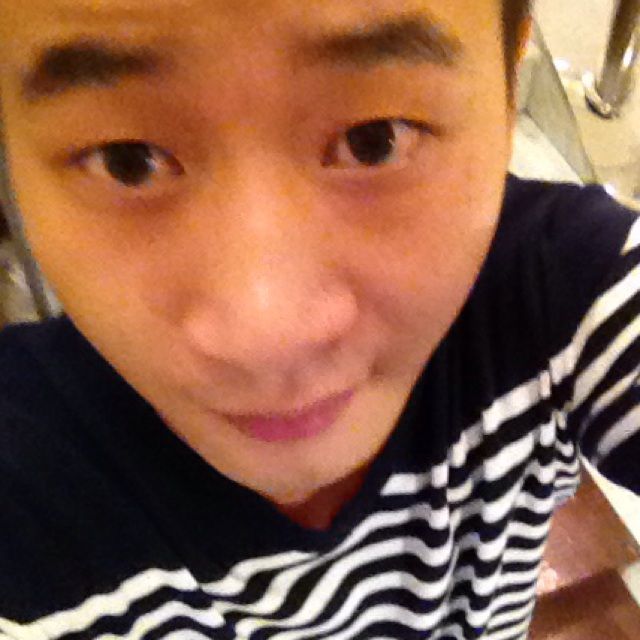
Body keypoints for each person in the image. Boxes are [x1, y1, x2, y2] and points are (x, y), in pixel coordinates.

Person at [0, 0, 638, 638]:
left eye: (374, 140)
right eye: (127, 160)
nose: (266, 337)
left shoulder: (563, 291)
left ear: (507, 88)